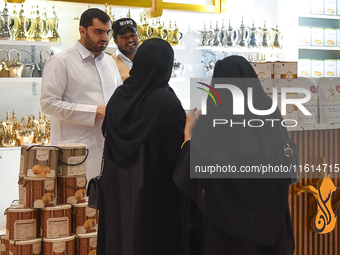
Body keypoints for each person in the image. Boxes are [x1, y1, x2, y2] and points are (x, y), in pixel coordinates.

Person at [174, 55, 298, 255]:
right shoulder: (269, 112)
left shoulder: (212, 118)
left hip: (223, 230)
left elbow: (192, 175)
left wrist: (188, 138)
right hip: (266, 225)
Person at [97, 38, 186, 255]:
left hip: (116, 187)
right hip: (153, 193)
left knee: (119, 238)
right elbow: (176, 155)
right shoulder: (166, 103)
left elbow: (107, 133)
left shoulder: (119, 97)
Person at [40, 8, 122, 181]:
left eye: (107, 32)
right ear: (82, 30)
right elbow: (48, 104)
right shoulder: (61, 61)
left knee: (104, 207)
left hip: (110, 153)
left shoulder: (110, 62)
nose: (105, 38)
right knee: (75, 206)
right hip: (73, 154)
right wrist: (94, 111)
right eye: (98, 32)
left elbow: (119, 99)